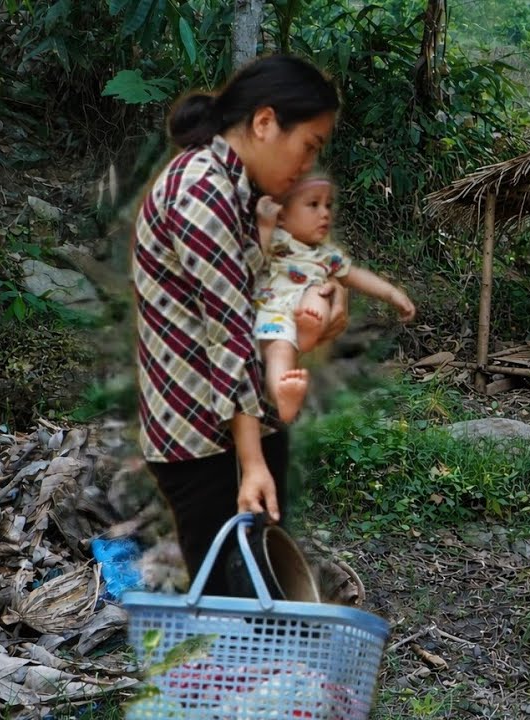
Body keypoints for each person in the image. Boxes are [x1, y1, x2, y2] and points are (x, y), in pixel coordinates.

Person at [132, 55, 345, 595]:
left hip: (244, 423)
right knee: (236, 606)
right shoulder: (201, 191)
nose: (308, 163)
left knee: (266, 584)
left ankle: (270, 677)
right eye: (310, 144)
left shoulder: (243, 193)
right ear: (265, 122)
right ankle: (238, 679)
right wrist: (251, 462)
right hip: (201, 438)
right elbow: (227, 336)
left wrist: (316, 311)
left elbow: (263, 309)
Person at [253, 174, 416, 423]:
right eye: (313, 205)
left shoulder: (327, 256)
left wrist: (392, 294)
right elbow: (253, 262)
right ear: (283, 215)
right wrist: (265, 226)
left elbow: (356, 275)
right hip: (273, 313)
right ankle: (282, 392)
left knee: (319, 292)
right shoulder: (276, 239)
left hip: (306, 314)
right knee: (280, 351)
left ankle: (302, 347)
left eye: (328, 205)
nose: (325, 213)